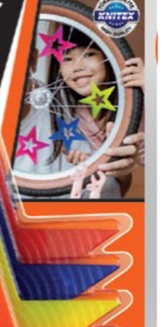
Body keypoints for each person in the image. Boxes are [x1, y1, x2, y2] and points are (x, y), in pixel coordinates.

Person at [14, 25, 144, 198]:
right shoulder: (77, 114)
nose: (77, 66)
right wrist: (90, 163)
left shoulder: (139, 95)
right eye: (67, 58)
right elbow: (113, 176)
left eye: (89, 54)